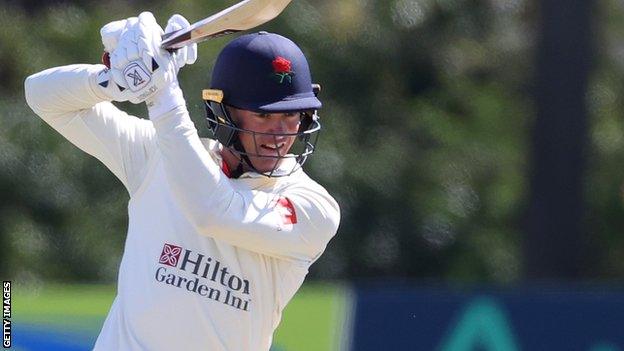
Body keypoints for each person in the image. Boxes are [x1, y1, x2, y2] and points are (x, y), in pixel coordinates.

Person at [24, 12, 339, 351]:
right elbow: (42, 96)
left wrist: (162, 93)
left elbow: (211, 209)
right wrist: (119, 80)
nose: (280, 134)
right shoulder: (159, 155)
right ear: (225, 111)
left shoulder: (313, 208)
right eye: (263, 114)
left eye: (291, 115)